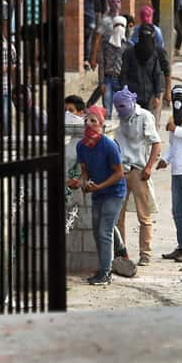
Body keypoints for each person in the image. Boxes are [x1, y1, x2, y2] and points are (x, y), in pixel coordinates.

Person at [68, 106, 126, 285]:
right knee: (97, 231)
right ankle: (104, 268)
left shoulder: (108, 145)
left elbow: (119, 173)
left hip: (114, 193)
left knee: (104, 231)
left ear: (101, 124)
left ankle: (105, 273)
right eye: (87, 120)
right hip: (98, 192)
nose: (88, 124)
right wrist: (80, 182)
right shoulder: (81, 146)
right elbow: (85, 171)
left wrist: (98, 186)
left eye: (93, 121)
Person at [112, 87, 161, 266]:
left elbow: (156, 144)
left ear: (132, 103)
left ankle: (145, 253)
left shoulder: (145, 117)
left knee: (144, 215)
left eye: (124, 107)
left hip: (138, 170)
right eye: (118, 107)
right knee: (118, 216)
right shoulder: (118, 117)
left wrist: (149, 167)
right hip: (120, 170)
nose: (121, 110)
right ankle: (120, 253)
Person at [159, 83, 182, 263]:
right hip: (177, 171)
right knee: (177, 210)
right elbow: (174, 146)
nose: (178, 102)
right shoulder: (173, 118)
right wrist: (165, 159)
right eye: (175, 98)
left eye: (181, 98)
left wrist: (176, 129)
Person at [120, 23, 165, 117]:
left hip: (148, 97)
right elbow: (123, 73)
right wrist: (124, 92)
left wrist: (157, 96)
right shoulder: (129, 53)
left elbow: (156, 75)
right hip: (131, 97)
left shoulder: (153, 55)